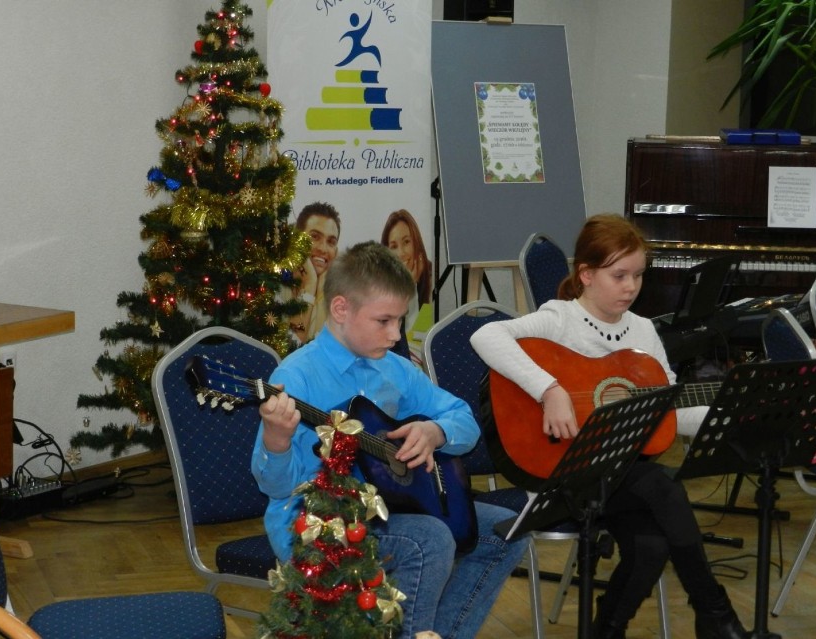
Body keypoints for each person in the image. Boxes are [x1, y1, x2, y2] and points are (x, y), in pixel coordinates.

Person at [469, 214, 749, 639]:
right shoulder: (560, 319)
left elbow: (669, 407)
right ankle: (714, 614)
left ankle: (607, 630)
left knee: (652, 545)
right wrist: (550, 390)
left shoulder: (643, 331)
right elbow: (486, 337)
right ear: (586, 274)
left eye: (637, 275)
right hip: (562, 473)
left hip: (619, 477)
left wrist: (731, 417)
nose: (631, 286)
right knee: (663, 486)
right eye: (619, 275)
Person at [252, 241, 527, 639]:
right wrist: (276, 438)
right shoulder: (297, 377)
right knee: (430, 541)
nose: (396, 333)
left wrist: (435, 432)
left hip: (388, 508)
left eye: (400, 320)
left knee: (506, 529)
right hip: (317, 526)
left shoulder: (394, 369)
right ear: (341, 309)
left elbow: (464, 420)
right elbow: (276, 489)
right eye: (384, 321)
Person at [291, 202, 341, 343]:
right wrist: (309, 285)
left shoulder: (340, 299)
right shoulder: (274, 285)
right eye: (315, 237)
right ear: (297, 240)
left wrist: (321, 292)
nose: (323, 249)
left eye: (331, 242)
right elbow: (291, 348)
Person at [381, 209, 433, 309]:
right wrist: (410, 285)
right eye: (394, 246)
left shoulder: (431, 278)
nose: (401, 253)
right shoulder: (382, 286)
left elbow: (422, 324)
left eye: (406, 242)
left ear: (416, 242)